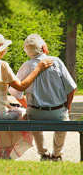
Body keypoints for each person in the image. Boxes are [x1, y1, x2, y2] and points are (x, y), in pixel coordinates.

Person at [0, 33, 53, 160]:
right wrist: (38, 69)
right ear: (1, 49)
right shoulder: (1, 64)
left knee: (13, 115)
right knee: (26, 114)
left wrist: (8, 104)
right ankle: (10, 153)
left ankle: (2, 153)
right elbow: (20, 87)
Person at [9, 33, 77, 161]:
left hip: (35, 112)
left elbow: (15, 92)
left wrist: (27, 105)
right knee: (63, 123)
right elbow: (71, 87)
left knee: (34, 122)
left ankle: (43, 154)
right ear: (43, 47)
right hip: (57, 112)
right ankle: (57, 154)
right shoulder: (56, 61)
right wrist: (68, 106)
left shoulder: (27, 66)